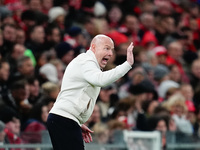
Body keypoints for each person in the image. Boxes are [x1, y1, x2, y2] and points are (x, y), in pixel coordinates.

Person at [47, 34, 134, 150]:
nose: (110, 54)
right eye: (106, 48)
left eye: (112, 50)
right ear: (93, 47)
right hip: (64, 119)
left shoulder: (86, 63)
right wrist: (127, 65)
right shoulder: (86, 61)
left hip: (65, 119)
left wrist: (77, 122)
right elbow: (101, 80)